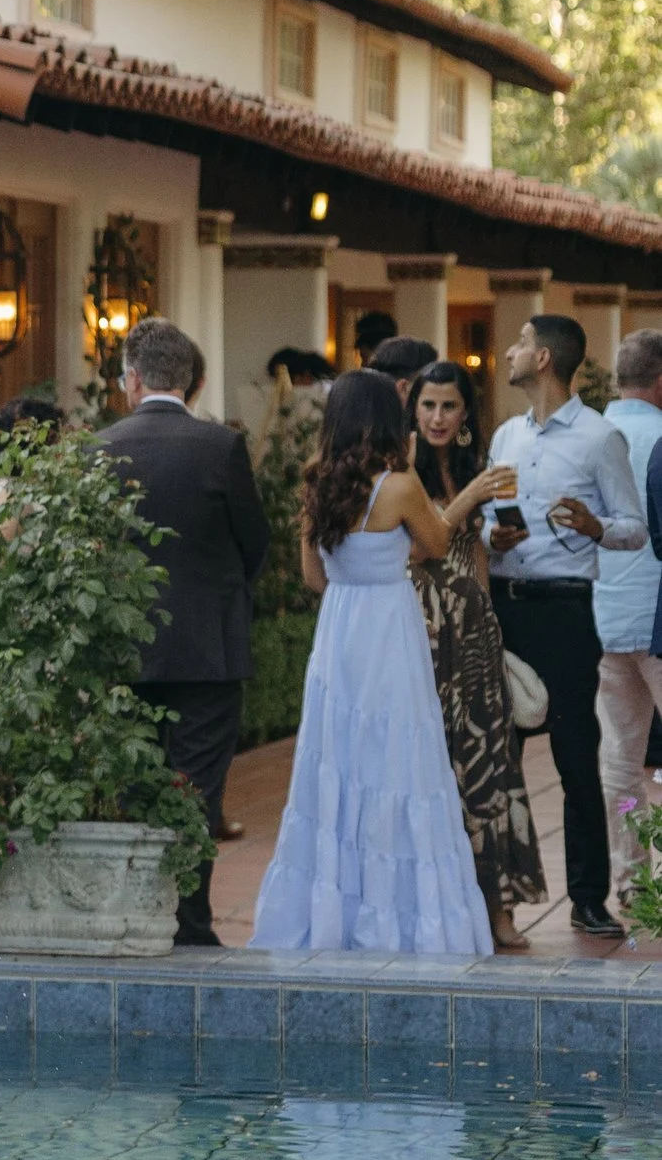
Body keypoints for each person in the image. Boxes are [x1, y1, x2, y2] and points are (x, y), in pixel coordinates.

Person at [252, 370, 490, 957]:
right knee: (399, 761)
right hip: (389, 630)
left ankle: (335, 910)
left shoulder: (316, 483)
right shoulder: (402, 485)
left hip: (341, 632)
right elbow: (435, 543)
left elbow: (313, 577)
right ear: (391, 420)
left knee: (339, 757)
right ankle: (402, 918)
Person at [97, 316, 270, 946]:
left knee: (138, 784)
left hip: (125, 652)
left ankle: (139, 915)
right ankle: (189, 923)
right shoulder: (221, 447)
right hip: (207, 648)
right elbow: (255, 544)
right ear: (193, 382)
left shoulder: (100, 447)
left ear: (133, 379)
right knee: (198, 790)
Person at [487, 310, 648, 939]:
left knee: (576, 755)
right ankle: (493, 899)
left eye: (521, 342)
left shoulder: (599, 438)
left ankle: (587, 898)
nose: (509, 352)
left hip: (566, 610)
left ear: (546, 358)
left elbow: (635, 528)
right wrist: (490, 536)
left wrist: (595, 528)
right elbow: (482, 521)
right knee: (496, 759)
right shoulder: (505, 436)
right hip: (504, 605)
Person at [408, 360, 539, 949]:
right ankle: (435, 909)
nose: (438, 417)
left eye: (449, 407)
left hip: (474, 633)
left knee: (490, 768)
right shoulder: (398, 471)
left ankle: (499, 911)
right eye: (428, 405)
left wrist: (493, 629)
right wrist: (466, 500)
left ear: (465, 416)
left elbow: (475, 561)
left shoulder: (472, 467)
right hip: (419, 632)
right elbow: (416, 549)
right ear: (413, 410)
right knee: (433, 769)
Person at [596, 329, 662, 893]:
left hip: (605, 615)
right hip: (658, 616)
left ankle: (632, 881)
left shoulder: (587, 436)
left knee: (620, 757)